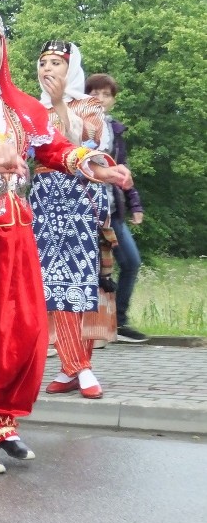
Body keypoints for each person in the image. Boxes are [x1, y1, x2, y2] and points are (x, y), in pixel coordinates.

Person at [0, 13, 131, 474]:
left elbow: (54, 148)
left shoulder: (20, 104)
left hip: (13, 219)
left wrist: (97, 165)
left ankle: (2, 419)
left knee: (18, 325)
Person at [33, 41, 113, 399]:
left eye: (56, 63)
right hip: (44, 198)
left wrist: (62, 102)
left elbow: (84, 144)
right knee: (52, 281)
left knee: (80, 280)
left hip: (79, 195)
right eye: (43, 62)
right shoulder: (31, 109)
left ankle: (75, 367)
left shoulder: (89, 104)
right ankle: (76, 368)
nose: (48, 69)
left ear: (71, 70)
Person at [85, 73, 148, 343]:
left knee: (131, 262)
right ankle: (85, 329)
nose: (100, 99)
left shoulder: (116, 130)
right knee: (89, 268)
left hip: (112, 211)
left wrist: (135, 204)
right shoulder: (79, 125)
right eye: (95, 93)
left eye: (106, 94)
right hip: (85, 208)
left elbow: (122, 172)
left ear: (113, 100)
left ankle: (119, 321)